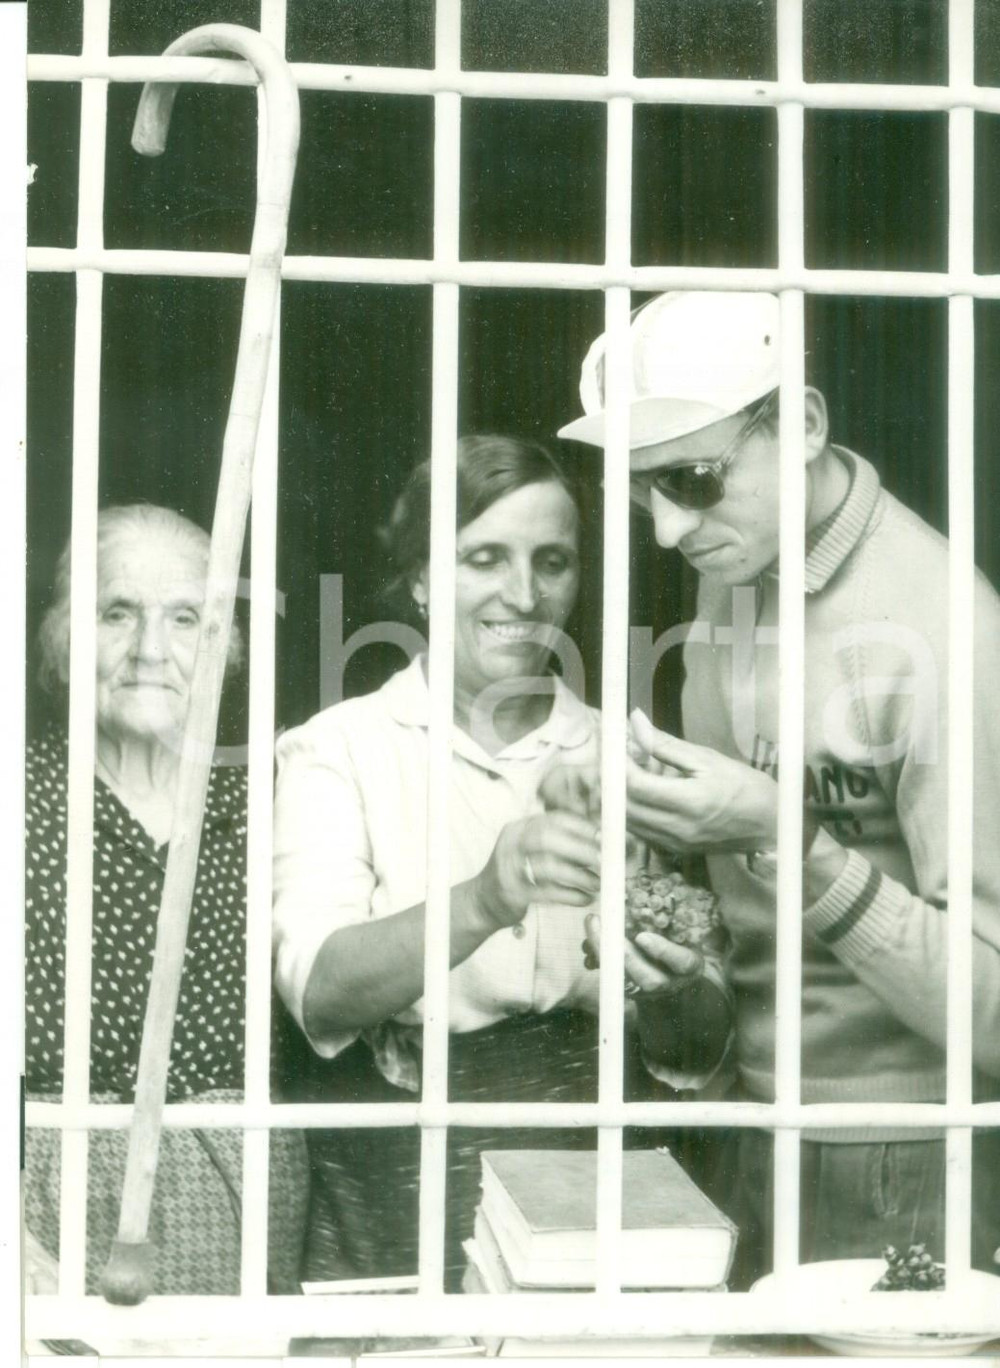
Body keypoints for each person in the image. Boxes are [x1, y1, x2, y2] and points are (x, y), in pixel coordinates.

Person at [558, 292, 1000, 1284]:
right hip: (738, 1124)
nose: (668, 531)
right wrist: (670, 927)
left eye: (694, 481)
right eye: (641, 494)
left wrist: (790, 845)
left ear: (801, 424)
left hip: (900, 1151)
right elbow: (743, 903)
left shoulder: (948, 629)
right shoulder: (736, 568)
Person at [272, 434, 730, 1290]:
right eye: (484, 558)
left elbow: (697, 1052)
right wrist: (488, 894)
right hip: (397, 1172)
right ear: (417, 578)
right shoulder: (337, 749)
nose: (523, 594)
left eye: (551, 561)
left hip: (596, 1167)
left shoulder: (630, 755)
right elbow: (320, 992)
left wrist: (675, 991)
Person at [24, 504, 308, 1296]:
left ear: (226, 644)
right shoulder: (18, 797)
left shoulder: (274, 799)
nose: (151, 651)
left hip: (239, 1196)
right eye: (117, 612)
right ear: (61, 637)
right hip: (39, 1201)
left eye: (185, 617)